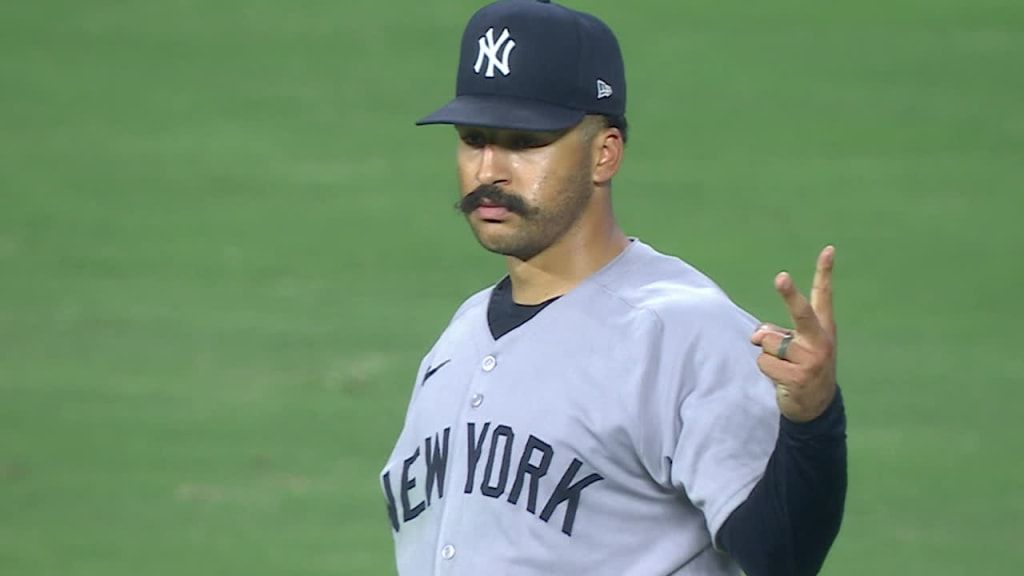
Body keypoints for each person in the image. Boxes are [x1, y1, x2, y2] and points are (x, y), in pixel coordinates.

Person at [380, 1, 846, 574]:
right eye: (474, 139)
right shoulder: (455, 343)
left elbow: (782, 557)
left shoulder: (680, 331)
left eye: (525, 143)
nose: (488, 171)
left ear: (605, 153)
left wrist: (813, 419)